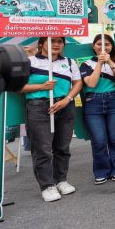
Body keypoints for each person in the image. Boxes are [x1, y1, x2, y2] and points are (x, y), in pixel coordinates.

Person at [19, 37, 82, 202]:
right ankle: (47, 186)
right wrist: (41, 86)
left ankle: (61, 180)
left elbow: (77, 83)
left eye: (59, 42)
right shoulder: (29, 62)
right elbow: (17, 86)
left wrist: (66, 99)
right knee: (42, 149)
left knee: (62, 147)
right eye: (51, 41)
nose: (56, 45)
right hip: (38, 108)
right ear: (41, 44)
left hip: (64, 106)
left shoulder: (69, 62)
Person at [80, 34, 115, 184]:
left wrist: (109, 62)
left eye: (107, 44)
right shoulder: (86, 64)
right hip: (93, 103)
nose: (103, 47)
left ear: (111, 46)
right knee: (99, 140)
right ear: (93, 46)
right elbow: (92, 83)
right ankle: (101, 171)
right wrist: (100, 64)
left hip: (114, 101)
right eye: (99, 44)